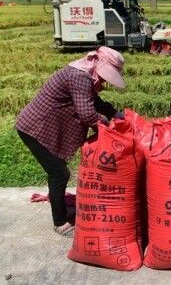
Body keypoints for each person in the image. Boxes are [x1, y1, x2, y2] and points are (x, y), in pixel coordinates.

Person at [14, 47, 126, 237]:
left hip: (45, 128)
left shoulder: (83, 74)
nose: (105, 80)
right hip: (34, 129)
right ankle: (60, 222)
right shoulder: (79, 76)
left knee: (59, 171)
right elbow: (87, 114)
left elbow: (95, 102)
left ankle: (62, 214)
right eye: (106, 75)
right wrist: (110, 128)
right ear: (97, 65)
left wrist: (116, 114)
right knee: (59, 173)